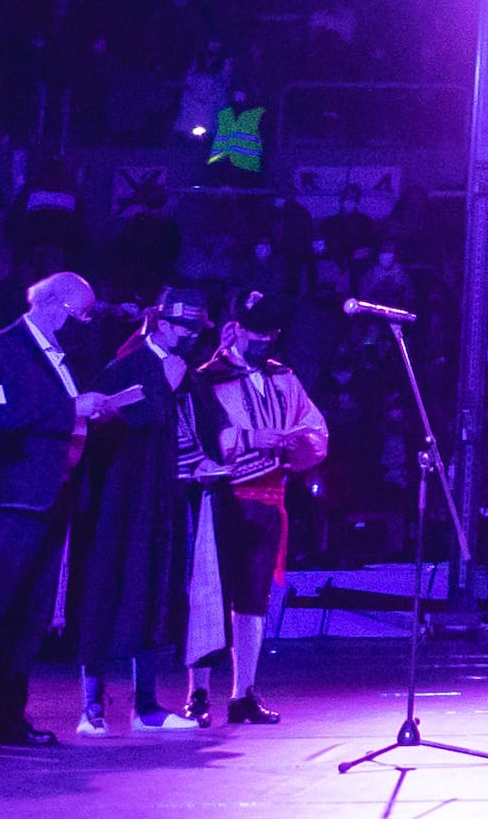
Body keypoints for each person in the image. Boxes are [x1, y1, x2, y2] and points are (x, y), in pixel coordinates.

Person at [0, 270, 105, 747]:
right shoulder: (4, 347)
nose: (84, 325)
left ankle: (7, 716)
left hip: (47, 496)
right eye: (81, 315)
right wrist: (71, 409)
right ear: (53, 304)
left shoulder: (59, 356)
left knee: (28, 617)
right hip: (9, 499)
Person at [60, 290, 202, 733]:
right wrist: (168, 386)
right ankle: (92, 706)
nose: (188, 336)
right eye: (182, 327)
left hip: (158, 497)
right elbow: (132, 419)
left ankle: (147, 706)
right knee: (105, 591)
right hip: (118, 503)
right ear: (160, 323)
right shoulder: (130, 364)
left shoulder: (173, 366)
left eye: (193, 329)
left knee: (153, 593)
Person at [182, 294, 326, 723]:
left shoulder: (283, 377)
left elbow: (314, 426)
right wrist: (250, 439)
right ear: (236, 328)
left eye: (271, 334)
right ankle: (198, 693)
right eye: (257, 332)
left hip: (270, 498)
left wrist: (295, 443)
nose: (265, 340)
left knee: (253, 600)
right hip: (222, 497)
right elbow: (202, 437)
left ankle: (244, 692)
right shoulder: (208, 379)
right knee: (209, 596)